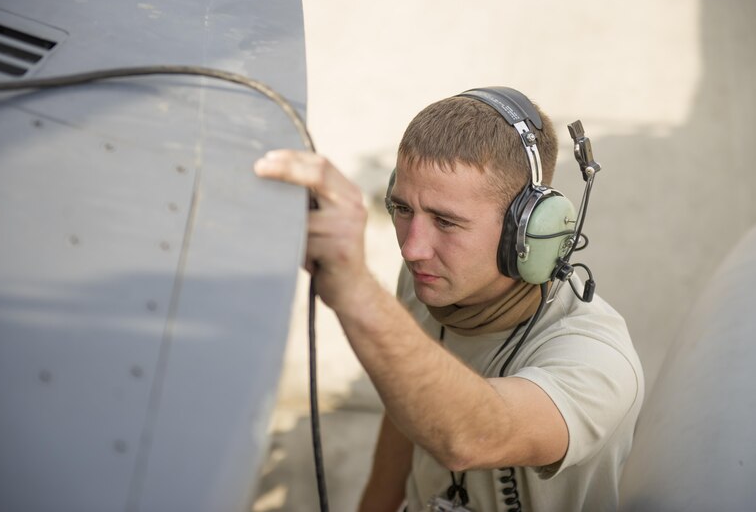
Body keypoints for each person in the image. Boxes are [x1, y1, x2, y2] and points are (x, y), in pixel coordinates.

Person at [254, 87, 644, 512]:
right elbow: (407, 411)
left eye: (445, 221)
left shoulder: (598, 362)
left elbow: (473, 437)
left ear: (528, 231)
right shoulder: (429, 281)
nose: (413, 249)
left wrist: (357, 292)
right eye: (403, 209)